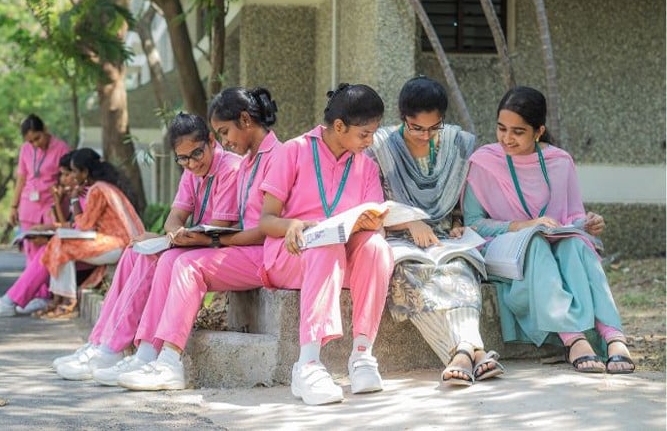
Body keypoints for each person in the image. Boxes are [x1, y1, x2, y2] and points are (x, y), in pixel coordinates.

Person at [115, 87, 282, 390]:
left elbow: (267, 227)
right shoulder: (247, 161)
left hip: (265, 252)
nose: (225, 142)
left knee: (188, 266)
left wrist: (214, 241)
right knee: (169, 259)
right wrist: (207, 239)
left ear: (245, 120)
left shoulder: (277, 156)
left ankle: (169, 363)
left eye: (224, 132)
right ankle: (148, 352)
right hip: (243, 248)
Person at [53, 113, 242, 380]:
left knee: (155, 258)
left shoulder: (230, 167)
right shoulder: (192, 170)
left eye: (196, 154)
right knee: (135, 252)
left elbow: (220, 225)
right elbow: (174, 217)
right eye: (183, 158)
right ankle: (101, 342)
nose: (191, 163)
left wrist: (178, 240)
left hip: (223, 244)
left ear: (211, 140)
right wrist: (173, 234)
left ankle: (130, 350)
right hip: (198, 241)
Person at [463, 86, 634, 374]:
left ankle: (613, 335)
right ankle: (573, 338)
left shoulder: (559, 161)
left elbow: (571, 216)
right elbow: (474, 223)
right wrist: (523, 227)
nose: (507, 138)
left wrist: (588, 222)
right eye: (501, 128)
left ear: (538, 131)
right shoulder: (484, 162)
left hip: (555, 240)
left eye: (518, 131)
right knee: (536, 244)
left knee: (577, 244)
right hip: (503, 247)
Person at [257, 83, 395, 406]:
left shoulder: (367, 166)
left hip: (341, 256)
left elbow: (370, 218)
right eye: (364, 134)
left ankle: (362, 354)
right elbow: (266, 220)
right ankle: (307, 364)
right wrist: (293, 225)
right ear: (338, 127)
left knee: (377, 247)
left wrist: (369, 223)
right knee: (324, 244)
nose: (370, 142)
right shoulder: (293, 151)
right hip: (291, 253)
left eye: (373, 133)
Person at [368, 76, 503, 386]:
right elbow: (370, 206)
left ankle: (461, 355)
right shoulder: (380, 147)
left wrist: (457, 223)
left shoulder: (458, 142)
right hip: (397, 236)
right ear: (403, 118)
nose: (425, 136)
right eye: (417, 128)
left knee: (461, 268)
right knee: (409, 275)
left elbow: (461, 201)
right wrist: (408, 222)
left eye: (434, 127)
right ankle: (474, 353)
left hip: (444, 239)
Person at [0, 114, 69, 317]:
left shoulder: (61, 147)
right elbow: (21, 178)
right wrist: (13, 206)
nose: (35, 144)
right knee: (30, 252)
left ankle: (42, 296)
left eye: (37, 138)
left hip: (50, 205)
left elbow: (66, 177)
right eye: (31, 141)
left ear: (44, 129)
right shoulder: (26, 150)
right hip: (29, 204)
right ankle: (31, 296)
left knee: (45, 250)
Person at [39, 148, 145, 318]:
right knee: (60, 242)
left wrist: (74, 200)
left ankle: (66, 301)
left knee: (62, 245)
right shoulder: (105, 186)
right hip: (115, 242)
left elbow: (85, 225)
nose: (73, 176)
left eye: (74, 171)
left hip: (116, 244)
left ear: (85, 172)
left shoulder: (97, 189)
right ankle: (60, 299)